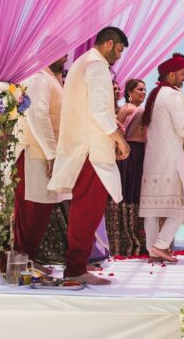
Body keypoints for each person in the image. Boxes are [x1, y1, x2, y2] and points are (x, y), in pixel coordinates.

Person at [47, 26, 131, 285]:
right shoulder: (95, 66)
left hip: (84, 146)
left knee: (86, 211)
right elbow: (97, 109)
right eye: (118, 50)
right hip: (91, 149)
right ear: (108, 43)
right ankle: (75, 269)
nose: (118, 56)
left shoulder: (80, 65)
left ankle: (77, 265)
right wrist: (118, 139)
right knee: (87, 211)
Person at [139, 54, 184, 263]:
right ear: (171, 75)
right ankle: (161, 245)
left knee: (151, 209)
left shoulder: (155, 94)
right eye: (182, 73)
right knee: (183, 204)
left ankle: (152, 250)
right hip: (170, 160)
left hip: (152, 159)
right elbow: (181, 128)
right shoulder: (173, 95)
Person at [13, 56, 67, 261]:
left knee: (40, 209)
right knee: (31, 210)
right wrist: (51, 153)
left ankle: (27, 259)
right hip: (35, 152)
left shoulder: (51, 77)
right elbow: (37, 114)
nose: (65, 59)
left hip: (44, 152)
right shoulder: (39, 77)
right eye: (61, 55)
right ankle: (21, 262)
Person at [105, 78, 148, 257]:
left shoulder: (139, 110)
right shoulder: (126, 109)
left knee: (135, 193)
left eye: (145, 89)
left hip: (140, 155)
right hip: (128, 156)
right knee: (127, 193)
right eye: (139, 89)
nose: (143, 92)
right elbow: (116, 135)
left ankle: (135, 239)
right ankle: (124, 241)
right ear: (129, 93)